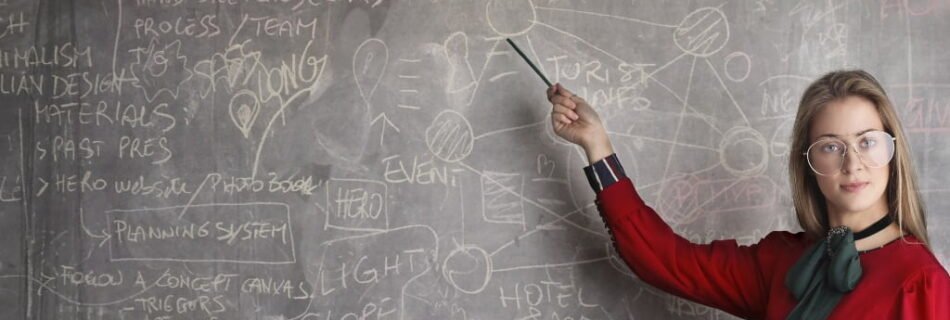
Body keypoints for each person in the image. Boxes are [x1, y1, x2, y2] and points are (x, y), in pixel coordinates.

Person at [546, 70, 949, 319]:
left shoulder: (922, 283)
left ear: (893, 151)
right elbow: (665, 261)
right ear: (807, 163)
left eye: (867, 142)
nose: (853, 164)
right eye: (830, 145)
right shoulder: (782, 263)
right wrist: (597, 146)